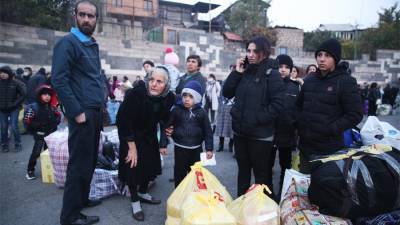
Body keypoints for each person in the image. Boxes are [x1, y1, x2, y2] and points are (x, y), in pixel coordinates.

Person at [51, 1, 105, 224]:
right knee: (79, 164)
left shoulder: (91, 43)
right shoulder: (68, 42)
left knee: (90, 160)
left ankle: (82, 200)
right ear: (75, 16)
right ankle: (70, 216)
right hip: (82, 113)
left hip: (94, 112)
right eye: (82, 15)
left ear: (96, 20)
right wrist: (76, 111)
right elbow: (59, 80)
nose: (86, 19)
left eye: (91, 16)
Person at [222, 36, 285, 197]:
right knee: (243, 173)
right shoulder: (244, 71)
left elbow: (278, 105)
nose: (250, 54)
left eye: (255, 51)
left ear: (263, 52)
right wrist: (236, 72)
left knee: (261, 177)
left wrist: (258, 119)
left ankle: (263, 214)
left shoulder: (272, 74)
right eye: (248, 51)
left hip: (260, 136)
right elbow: (227, 92)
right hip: (241, 133)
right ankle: (241, 208)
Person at [296, 38, 363, 174]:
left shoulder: (346, 81)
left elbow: (355, 114)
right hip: (306, 146)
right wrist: (299, 125)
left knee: (326, 189)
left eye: (327, 55)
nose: (322, 59)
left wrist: (331, 128)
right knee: (304, 187)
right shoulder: (309, 80)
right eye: (319, 55)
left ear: (335, 59)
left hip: (330, 149)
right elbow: (298, 106)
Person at [116, 67, 175, 221]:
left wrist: (169, 126)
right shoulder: (136, 94)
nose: (154, 84)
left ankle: (143, 192)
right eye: (152, 80)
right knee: (133, 167)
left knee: (149, 166)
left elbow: (165, 115)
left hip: (148, 136)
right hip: (130, 135)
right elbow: (122, 120)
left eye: (159, 82)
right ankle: (135, 200)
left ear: (166, 86)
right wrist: (132, 147)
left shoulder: (168, 98)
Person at [166, 80, 213, 187]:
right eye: (184, 96)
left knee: (196, 174)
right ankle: (179, 195)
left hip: (196, 149)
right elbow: (167, 127)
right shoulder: (176, 110)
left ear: (196, 98)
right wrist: (163, 144)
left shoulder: (202, 113)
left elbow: (208, 131)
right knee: (179, 173)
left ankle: (194, 196)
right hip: (180, 148)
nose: (186, 99)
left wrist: (209, 149)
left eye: (191, 96)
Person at [269, 54, 301, 194]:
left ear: (291, 69)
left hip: (287, 134)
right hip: (268, 132)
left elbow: (298, 110)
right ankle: (267, 194)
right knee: (266, 166)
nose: (283, 70)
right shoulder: (268, 84)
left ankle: (283, 194)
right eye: (280, 66)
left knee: (285, 166)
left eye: (286, 67)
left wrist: (294, 125)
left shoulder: (295, 88)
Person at [25, 85, 61, 180]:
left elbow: (58, 116)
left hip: (51, 134)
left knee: (50, 152)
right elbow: (28, 120)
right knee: (36, 152)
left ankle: (49, 170)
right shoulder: (33, 107)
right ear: (39, 95)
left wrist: (56, 120)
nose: (47, 96)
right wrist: (37, 125)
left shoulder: (52, 107)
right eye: (44, 94)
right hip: (40, 134)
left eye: (49, 94)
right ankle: (30, 170)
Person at [0, 66, 27, 153]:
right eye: (1, 73)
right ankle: (4, 145)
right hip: (2, 109)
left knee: (14, 126)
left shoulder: (16, 83)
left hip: (14, 109)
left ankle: (18, 144)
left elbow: (23, 94)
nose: (2, 74)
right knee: (3, 127)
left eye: (4, 73)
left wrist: (15, 104)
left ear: (9, 73)